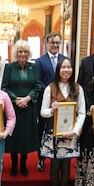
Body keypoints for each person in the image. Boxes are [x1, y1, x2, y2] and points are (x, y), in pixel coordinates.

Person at [40, 58, 86, 186]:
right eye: (63, 67)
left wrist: (76, 129)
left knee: (66, 164)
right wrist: (52, 110)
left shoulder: (78, 89)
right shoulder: (50, 88)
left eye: (69, 67)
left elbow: (82, 112)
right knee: (54, 164)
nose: (66, 70)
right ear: (58, 70)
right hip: (53, 133)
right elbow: (43, 112)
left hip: (70, 132)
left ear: (72, 70)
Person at [2, 40, 41, 177]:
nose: (23, 54)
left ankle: (23, 164)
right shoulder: (9, 67)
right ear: (16, 53)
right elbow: (4, 88)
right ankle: (13, 164)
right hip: (13, 108)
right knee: (14, 136)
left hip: (29, 107)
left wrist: (27, 98)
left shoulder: (33, 67)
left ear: (28, 53)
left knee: (25, 136)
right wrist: (16, 99)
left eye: (25, 51)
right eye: (20, 51)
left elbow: (37, 87)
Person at [35, 32, 67, 172]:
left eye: (57, 43)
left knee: (61, 130)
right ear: (47, 44)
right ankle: (41, 158)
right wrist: (51, 92)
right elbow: (38, 81)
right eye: (52, 42)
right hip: (45, 102)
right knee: (43, 131)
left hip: (63, 103)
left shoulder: (65, 60)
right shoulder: (40, 61)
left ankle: (60, 156)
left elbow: (68, 78)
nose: (55, 45)